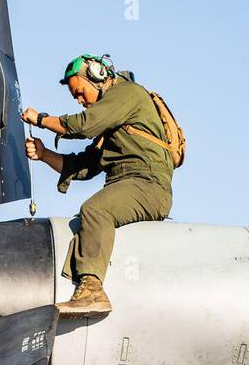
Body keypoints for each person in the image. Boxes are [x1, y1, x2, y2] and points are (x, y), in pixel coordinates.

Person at [21, 55, 174, 315]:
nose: (80, 101)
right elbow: (84, 166)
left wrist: (41, 119)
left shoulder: (128, 94)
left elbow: (85, 125)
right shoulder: (112, 123)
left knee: (95, 210)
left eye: (80, 93)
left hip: (148, 184)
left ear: (97, 76)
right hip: (130, 184)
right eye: (76, 99)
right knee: (86, 217)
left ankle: (92, 292)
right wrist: (45, 155)